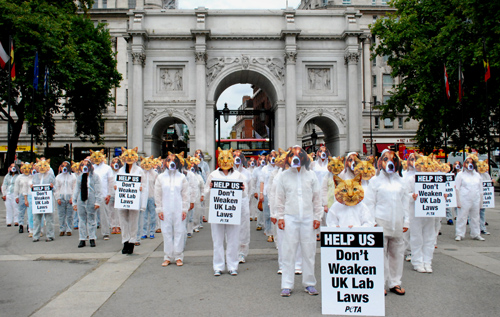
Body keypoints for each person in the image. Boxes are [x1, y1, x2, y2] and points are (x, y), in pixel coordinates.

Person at [275, 146, 322, 297]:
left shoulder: (311, 175)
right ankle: (287, 285)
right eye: (292, 155)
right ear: (288, 158)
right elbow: (280, 198)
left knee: (309, 252)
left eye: (298, 155)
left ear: (304, 157)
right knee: (289, 251)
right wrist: (280, 216)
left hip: (308, 218)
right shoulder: (284, 176)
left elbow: (317, 198)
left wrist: (317, 217)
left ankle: (309, 283)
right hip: (290, 217)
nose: (295, 157)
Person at [364, 149, 409, 295]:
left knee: (397, 253)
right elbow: (370, 203)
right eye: (385, 159)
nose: (389, 163)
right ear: (380, 163)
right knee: (380, 254)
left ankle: (395, 282)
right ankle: (380, 282)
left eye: (392, 160)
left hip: (397, 223)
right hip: (380, 221)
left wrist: (406, 221)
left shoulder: (402, 182)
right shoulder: (374, 181)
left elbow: (406, 202)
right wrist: (372, 222)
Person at [202, 148, 248, 276]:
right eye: (222, 158)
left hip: (232, 212)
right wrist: (210, 188)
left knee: (233, 240)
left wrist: (243, 189)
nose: (226, 161)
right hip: (217, 212)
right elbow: (205, 193)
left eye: (228, 158)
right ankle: (218, 266)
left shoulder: (238, 176)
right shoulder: (213, 175)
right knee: (217, 240)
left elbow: (244, 195)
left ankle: (233, 265)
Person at [155, 153, 190, 267]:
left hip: (178, 208)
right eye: (169, 160)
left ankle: (179, 256)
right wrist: (159, 209)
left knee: (179, 231)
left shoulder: (182, 177)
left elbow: (185, 194)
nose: (171, 162)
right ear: (165, 163)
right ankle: (168, 256)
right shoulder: (160, 178)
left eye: (174, 160)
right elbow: (158, 195)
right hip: (165, 209)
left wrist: (185, 209)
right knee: (166, 232)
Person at [406, 154, 437, 273]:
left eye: (427, 164)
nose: (424, 167)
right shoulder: (411, 179)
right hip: (415, 211)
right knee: (416, 237)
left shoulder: (435, 178)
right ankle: (418, 261)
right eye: (421, 164)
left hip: (430, 211)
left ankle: (428, 261)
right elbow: (405, 195)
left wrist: (443, 196)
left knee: (429, 237)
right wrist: (411, 196)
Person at [115, 147, 146, 254]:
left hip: (134, 199)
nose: (129, 158)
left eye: (131, 156)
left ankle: (132, 241)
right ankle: (125, 241)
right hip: (123, 198)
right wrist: (116, 186)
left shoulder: (139, 170)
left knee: (133, 221)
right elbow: (117, 182)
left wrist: (141, 187)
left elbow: (144, 184)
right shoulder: (120, 170)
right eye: (126, 156)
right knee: (123, 220)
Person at [73, 160, 103, 248]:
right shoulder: (79, 177)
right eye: (82, 165)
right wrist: (74, 202)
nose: (85, 166)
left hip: (91, 199)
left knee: (91, 219)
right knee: (81, 219)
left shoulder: (95, 177)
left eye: (87, 165)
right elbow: (76, 190)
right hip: (81, 199)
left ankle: (92, 238)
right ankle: (82, 238)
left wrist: (98, 201)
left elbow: (98, 189)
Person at [455, 155, 484, 241]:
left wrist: (481, 202)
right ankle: (459, 234)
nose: (469, 164)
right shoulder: (460, 175)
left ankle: (476, 234)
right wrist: (458, 201)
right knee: (462, 217)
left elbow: (480, 189)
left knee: (475, 217)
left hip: (475, 199)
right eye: (467, 162)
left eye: (471, 163)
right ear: (464, 164)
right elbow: (456, 188)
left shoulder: (477, 175)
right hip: (464, 199)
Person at [90, 150, 114, 241]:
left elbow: (110, 182)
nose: (97, 159)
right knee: (92, 215)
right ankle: (91, 234)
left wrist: (109, 194)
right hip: (93, 195)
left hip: (103, 194)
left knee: (104, 215)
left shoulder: (107, 168)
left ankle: (105, 233)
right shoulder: (91, 168)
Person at [233, 150, 252, 264]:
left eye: (239, 156)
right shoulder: (228, 172)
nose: (237, 158)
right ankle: (233, 251)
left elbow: (249, 188)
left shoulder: (247, 173)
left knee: (243, 227)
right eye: (234, 156)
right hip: (231, 203)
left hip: (243, 202)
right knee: (232, 229)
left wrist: (246, 201)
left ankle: (242, 252)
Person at [31, 158, 56, 242]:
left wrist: (53, 187)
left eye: (44, 166)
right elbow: (33, 188)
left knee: (49, 219)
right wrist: (32, 188)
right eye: (40, 166)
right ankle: (36, 235)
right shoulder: (35, 177)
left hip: (47, 200)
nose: (42, 168)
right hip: (38, 201)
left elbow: (55, 188)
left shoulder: (51, 176)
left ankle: (50, 235)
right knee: (36, 219)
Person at [259, 151, 278, 242]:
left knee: (276, 214)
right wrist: (261, 193)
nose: (273, 158)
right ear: (268, 158)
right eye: (271, 156)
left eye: (275, 156)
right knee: (267, 214)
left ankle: (276, 233)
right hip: (267, 193)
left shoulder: (279, 168)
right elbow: (262, 182)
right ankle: (269, 233)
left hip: (277, 194)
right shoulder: (264, 169)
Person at [55, 161, 76, 236]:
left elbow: (74, 188)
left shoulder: (73, 176)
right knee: (61, 214)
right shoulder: (58, 177)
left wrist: (72, 197)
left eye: (66, 166)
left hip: (69, 196)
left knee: (69, 215)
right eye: (62, 166)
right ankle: (62, 229)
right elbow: (56, 188)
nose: (64, 167)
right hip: (61, 196)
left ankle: (69, 229)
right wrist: (57, 198)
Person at [139, 156, 158, 240]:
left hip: (152, 196)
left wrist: (157, 198)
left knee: (153, 215)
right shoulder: (140, 173)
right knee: (144, 216)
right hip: (143, 197)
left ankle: (152, 231)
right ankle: (144, 232)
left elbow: (157, 187)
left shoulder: (155, 174)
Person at [14, 163, 31, 233]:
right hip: (21, 195)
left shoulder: (32, 176)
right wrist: (16, 196)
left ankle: (29, 225)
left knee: (29, 211)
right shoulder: (19, 177)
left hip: (29, 195)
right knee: (21, 211)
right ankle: (21, 225)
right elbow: (16, 187)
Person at [477, 159, 491, 235]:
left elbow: (489, 184)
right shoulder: (475, 174)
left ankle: (482, 228)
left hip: (483, 197)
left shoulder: (486, 174)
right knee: (475, 213)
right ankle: (475, 228)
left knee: (482, 212)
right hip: (475, 196)